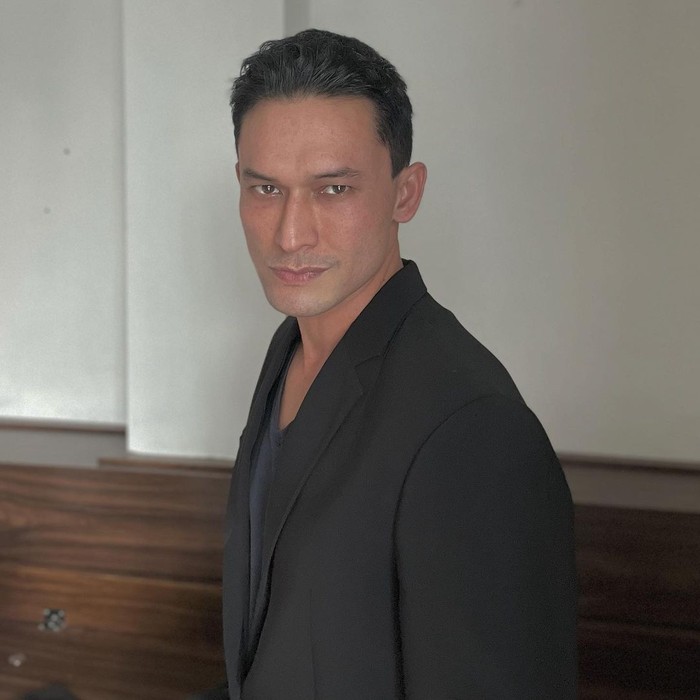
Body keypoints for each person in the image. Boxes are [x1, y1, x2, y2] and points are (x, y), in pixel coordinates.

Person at [223, 28, 577, 699]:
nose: (291, 234)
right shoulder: (289, 347)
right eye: (265, 188)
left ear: (405, 194)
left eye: (334, 189)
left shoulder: (473, 428)